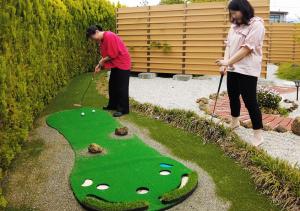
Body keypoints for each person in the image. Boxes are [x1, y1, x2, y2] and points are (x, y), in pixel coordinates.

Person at [216, 0, 265, 146]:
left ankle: (258, 135)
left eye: (235, 12)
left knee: (250, 101)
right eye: (231, 13)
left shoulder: (257, 25)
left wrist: (228, 62)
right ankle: (235, 123)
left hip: (248, 70)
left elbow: (247, 49)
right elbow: (229, 46)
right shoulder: (234, 26)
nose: (233, 16)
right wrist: (225, 63)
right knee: (233, 96)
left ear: (244, 9)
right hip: (233, 68)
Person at [86, 25, 131, 117]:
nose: (92, 40)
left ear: (97, 32)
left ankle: (123, 109)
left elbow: (113, 54)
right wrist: (99, 65)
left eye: (92, 37)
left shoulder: (109, 36)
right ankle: (113, 105)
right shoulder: (102, 40)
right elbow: (106, 55)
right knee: (112, 85)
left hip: (123, 63)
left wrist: (101, 61)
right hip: (116, 64)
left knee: (121, 87)